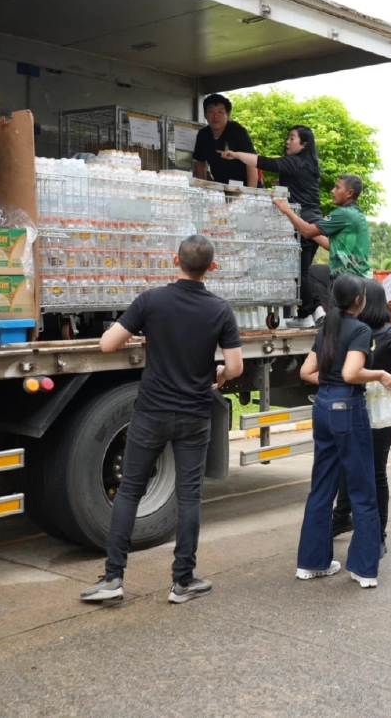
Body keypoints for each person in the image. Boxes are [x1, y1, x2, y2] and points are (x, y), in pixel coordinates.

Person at [81, 234, 243, 604]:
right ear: (212, 268)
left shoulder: (151, 301)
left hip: (151, 411)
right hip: (194, 414)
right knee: (189, 498)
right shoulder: (220, 310)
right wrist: (218, 376)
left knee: (129, 491)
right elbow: (234, 366)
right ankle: (182, 581)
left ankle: (113, 578)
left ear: (176, 261)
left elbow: (108, 344)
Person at [295, 274, 391, 589]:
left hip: (323, 407)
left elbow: (306, 372)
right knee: (362, 488)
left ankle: (311, 564)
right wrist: (380, 373)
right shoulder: (361, 329)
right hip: (347, 410)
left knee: (322, 486)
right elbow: (353, 373)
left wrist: (332, 381)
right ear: (358, 301)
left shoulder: (328, 327)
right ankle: (364, 569)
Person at [331, 278, 391, 557]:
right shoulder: (350, 329)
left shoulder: (386, 333)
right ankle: (341, 518)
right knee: (348, 467)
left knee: (376, 472)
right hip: (353, 407)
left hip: (380, 413)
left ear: (366, 300)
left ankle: (378, 534)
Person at [218, 126, 324, 328]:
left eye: (292, 138)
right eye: (288, 137)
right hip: (314, 218)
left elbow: (264, 162)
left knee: (299, 271)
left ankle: (307, 315)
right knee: (304, 271)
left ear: (304, 144)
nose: (287, 141)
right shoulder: (309, 164)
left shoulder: (294, 161)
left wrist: (237, 154)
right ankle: (316, 311)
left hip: (301, 219)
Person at [274, 174, 371, 313]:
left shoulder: (343, 214)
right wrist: (312, 232)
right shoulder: (357, 214)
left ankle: (327, 311)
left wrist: (287, 210)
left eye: (337, 187)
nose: (332, 191)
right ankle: (323, 311)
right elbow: (330, 246)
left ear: (349, 193)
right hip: (360, 277)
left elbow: (307, 231)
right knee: (315, 271)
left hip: (346, 280)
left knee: (310, 273)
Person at [192, 94, 258, 188]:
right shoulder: (203, 135)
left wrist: (251, 193)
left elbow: (252, 162)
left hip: (244, 187)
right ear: (205, 115)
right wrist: (203, 187)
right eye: (211, 111)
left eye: (220, 112)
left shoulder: (238, 132)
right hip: (220, 188)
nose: (215, 116)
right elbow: (200, 162)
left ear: (228, 114)